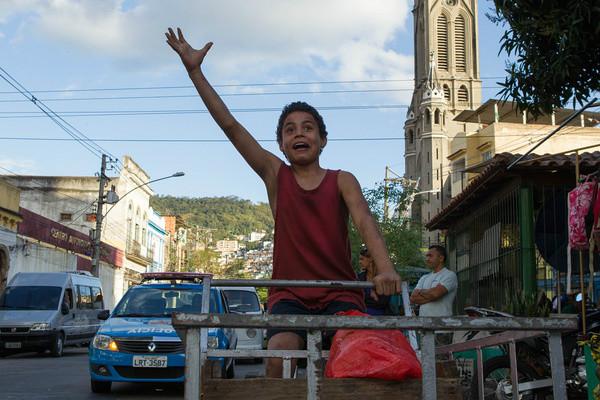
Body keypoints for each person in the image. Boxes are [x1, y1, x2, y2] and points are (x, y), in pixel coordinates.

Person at [165, 28, 401, 378]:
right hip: (288, 293)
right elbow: (230, 125)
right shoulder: (276, 174)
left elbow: (366, 222)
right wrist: (195, 72)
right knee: (279, 359)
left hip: (341, 294)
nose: (299, 133)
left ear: (323, 140)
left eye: (308, 128)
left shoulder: (342, 179)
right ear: (280, 143)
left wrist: (384, 268)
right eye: (290, 130)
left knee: (353, 362)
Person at [410, 245, 457, 317]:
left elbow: (435, 294)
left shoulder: (449, 275)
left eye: (430, 256)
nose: (427, 259)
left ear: (441, 258)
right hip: (423, 324)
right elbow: (413, 298)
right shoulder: (424, 277)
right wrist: (433, 296)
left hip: (442, 324)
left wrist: (421, 292)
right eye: (427, 256)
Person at [357, 246, 391, 315]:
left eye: (362, 259)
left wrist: (365, 297)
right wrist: (370, 294)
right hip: (361, 312)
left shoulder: (384, 277)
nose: (359, 262)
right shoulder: (359, 277)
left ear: (371, 259)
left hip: (381, 315)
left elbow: (383, 302)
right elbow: (356, 298)